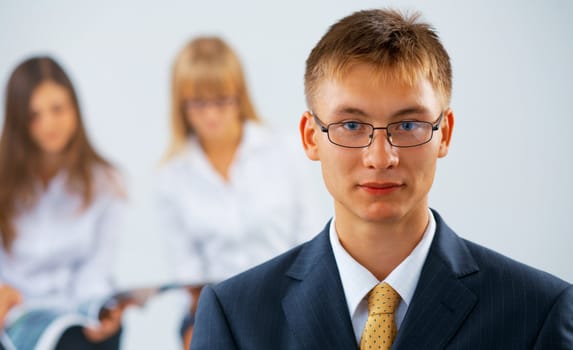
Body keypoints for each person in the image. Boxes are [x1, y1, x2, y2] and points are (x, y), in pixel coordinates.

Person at [190, 9, 573, 350]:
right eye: (351, 125)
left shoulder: (537, 311)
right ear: (310, 137)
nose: (380, 157)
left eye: (408, 125)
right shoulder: (236, 315)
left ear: (446, 133)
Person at [156, 36, 321, 348]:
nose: (211, 116)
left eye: (221, 100)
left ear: (239, 96)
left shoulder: (284, 150)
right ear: (182, 105)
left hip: (287, 302)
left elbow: (311, 246)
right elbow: (189, 277)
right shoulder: (171, 177)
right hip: (214, 309)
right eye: (198, 103)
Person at [0, 56, 127, 349]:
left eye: (57, 109)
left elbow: (96, 271)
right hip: (14, 313)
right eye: (33, 115)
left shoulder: (106, 182)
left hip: (75, 312)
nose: (48, 124)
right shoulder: (4, 181)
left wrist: (96, 310)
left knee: (97, 332)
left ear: (74, 108)